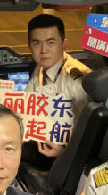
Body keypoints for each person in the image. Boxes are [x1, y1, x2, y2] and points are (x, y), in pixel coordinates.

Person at [22, 13, 92, 165]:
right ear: (29, 45)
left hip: (70, 153)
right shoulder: (40, 68)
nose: (43, 50)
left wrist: (65, 151)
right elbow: (27, 107)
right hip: (45, 141)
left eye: (51, 42)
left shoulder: (75, 77)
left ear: (64, 44)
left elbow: (88, 128)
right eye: (36, 43)